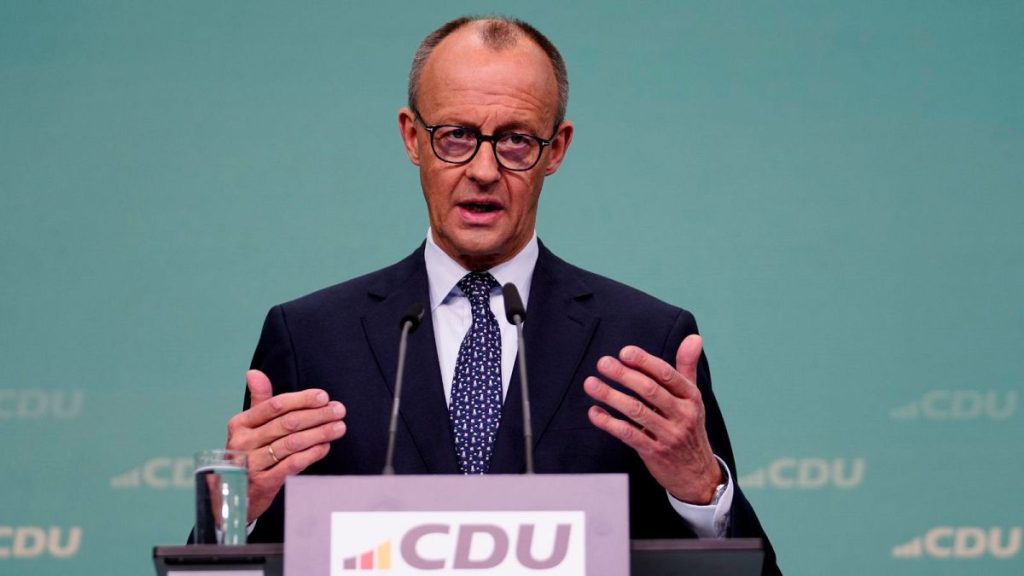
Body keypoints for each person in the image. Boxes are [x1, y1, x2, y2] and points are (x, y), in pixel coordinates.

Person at [221, 16, 780, 574]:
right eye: (456, 135)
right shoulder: (311, 341)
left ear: (556, 149)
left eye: (516, 140)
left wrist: (702, 493)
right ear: (413, 138)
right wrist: (237, 512)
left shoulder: (646, 341)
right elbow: (222, 564)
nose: (484, 170)